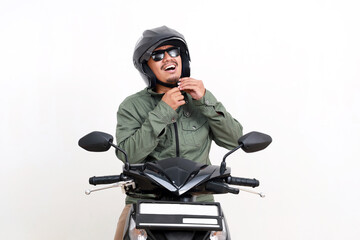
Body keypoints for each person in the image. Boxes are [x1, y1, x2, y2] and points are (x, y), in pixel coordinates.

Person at [113, 25, 243, 239]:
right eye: (157, 55)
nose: (168, 59)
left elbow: (234, 140)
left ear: (183, 58)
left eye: (173, 52)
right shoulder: (132, 106)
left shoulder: (201, 99)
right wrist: (163, 111)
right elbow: (129, 154)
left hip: (200, 207)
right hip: (144, 206)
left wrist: (205, 100)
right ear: (147, 67)